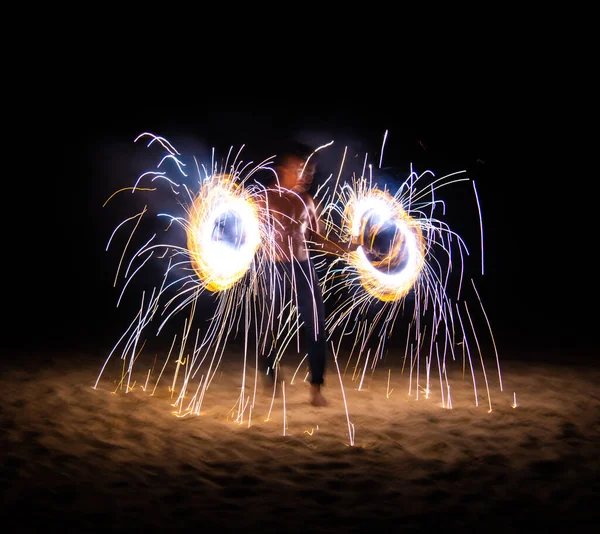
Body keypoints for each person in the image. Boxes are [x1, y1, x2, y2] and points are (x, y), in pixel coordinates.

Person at [258, 141, 358, 407]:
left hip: (303, 269)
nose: (307, 175)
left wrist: (349, 247)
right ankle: (270, 374)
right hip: (273, 268)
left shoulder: (308, 202)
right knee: (267, 327)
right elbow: (245, 234)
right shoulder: (262, 199)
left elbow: (320, 240)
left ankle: (316, 388)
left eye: (310, 170)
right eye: (300, 168)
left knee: (316, 327)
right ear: (283, 169)